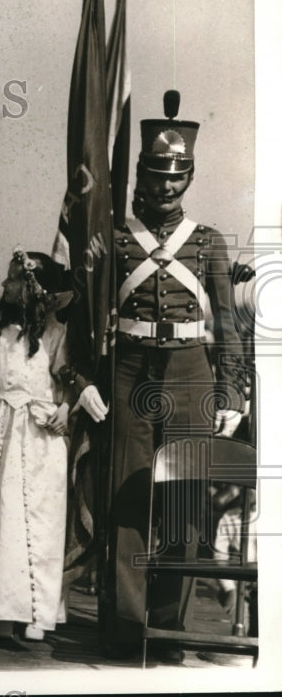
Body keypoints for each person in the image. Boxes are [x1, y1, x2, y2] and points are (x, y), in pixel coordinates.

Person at [103, 90, 246, 660]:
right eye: (156, 176)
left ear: (188, 178)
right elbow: (92, 321)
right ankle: (126, 627)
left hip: (191, 375)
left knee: (185, 504)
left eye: (176, 177)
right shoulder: (114, 240)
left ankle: (168, 630)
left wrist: (232, 388)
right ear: (140, 174)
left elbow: (228, 324)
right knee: (128, 501)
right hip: (129, 371)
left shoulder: (208, 242)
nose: (165, 188)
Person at [0, 248, 107, 642]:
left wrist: (66, 410)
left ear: (34, 288)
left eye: (14, 279)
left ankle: (31, 613)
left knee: (35, 522)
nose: (4, 285)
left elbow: (67, 379)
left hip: (39, 439)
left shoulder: (54, 335)